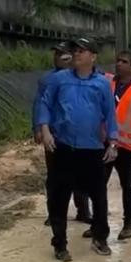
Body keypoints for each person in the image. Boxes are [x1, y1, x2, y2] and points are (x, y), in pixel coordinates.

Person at [38, 37, 118, 262]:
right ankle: (60, 244)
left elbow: (110, 113)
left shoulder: (102, 83)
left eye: (82, 51)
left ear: (93, 57)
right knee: (59, 197)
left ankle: (100, 239)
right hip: (64, 147)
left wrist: (113, 142)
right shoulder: (59, 80)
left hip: (91, 149)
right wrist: (45, 131)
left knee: (99, 196)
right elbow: (45, 103)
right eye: (75, 51)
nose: (76, 54)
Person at [83, 51, 131, 241]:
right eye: (118, 61)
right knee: (98, 185)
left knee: (128, 185)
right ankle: (98, 224)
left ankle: (129, 224)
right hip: (104, 143)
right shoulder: (106, 82)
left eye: (124, 62)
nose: (119, 64)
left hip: (127, 146)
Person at [33, 42, 92, 225]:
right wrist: (38, 128)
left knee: (81, 173)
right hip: (55, 134)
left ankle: (83, 210)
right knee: (55, 176)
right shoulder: (47, 80)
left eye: (62, 54)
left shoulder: (83, 78)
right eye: (56, 54)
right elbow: (39, 104)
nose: (58, 57)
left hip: (79, 134)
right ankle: (55, 213)